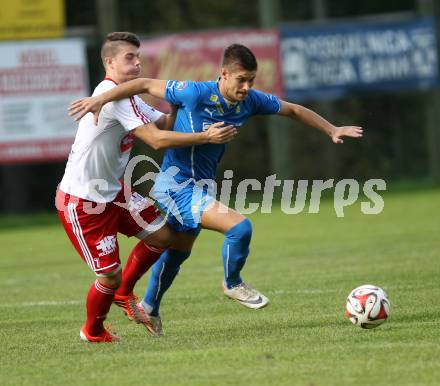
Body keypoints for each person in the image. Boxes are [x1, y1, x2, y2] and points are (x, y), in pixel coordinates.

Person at [69, 43, 363, 336]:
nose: (247, 87)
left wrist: (332, 129)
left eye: (251, 80)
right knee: (240, 228)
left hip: (200, 186)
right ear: (223, 74)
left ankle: (150, 306)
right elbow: (143, 83)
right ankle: (232, 283)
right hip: (175, 185)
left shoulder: (251, 101)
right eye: (241, 80)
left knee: (177, 250)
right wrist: (102, 99)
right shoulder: (194, 92)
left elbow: (294, 110)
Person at [57, 32, 236, 343]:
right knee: (108, 276)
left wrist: (183, 98)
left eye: (138, 56)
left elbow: (165, 123)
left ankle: (124, 293)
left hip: (113, 192)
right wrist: (206, 138)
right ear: (109, 62)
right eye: (130, 57)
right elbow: (155, 140)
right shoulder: (111, 96)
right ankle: (93, 331)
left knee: (164, 236)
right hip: (84, 201)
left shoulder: (125, 96)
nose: (137, 62)